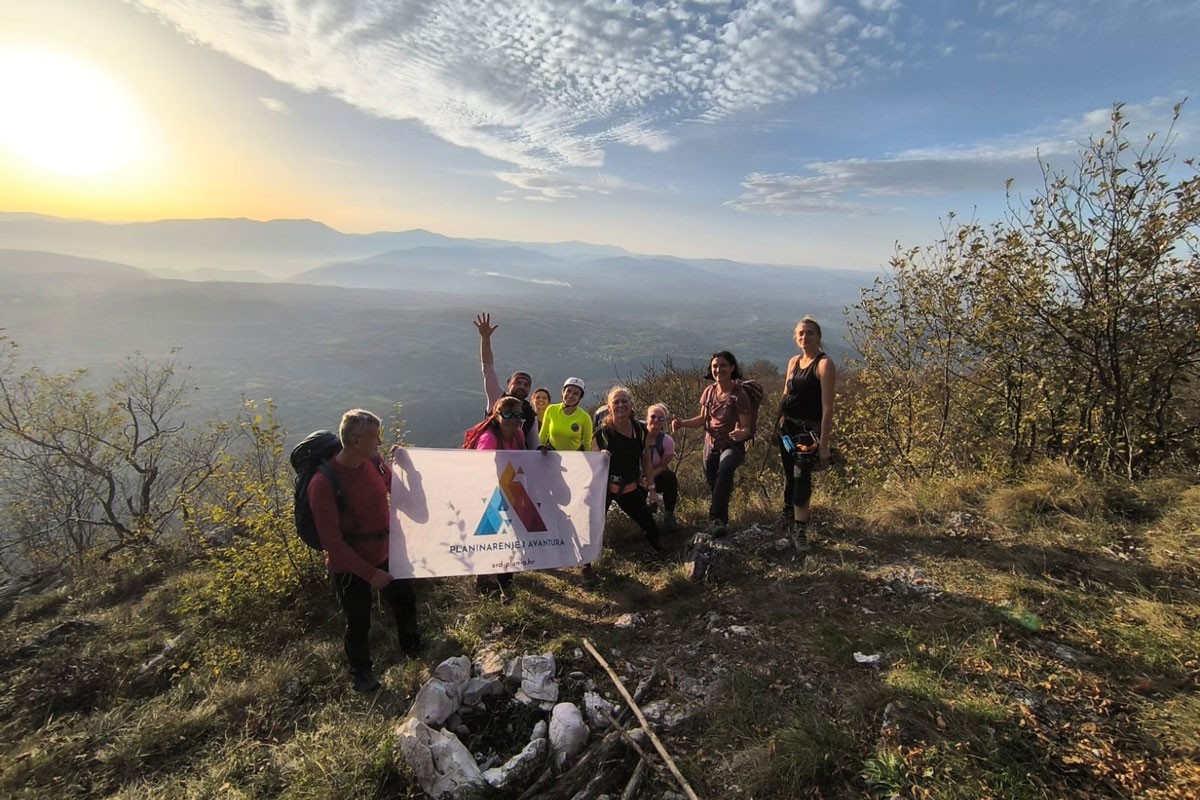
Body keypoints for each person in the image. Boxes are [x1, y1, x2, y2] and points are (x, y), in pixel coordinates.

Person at [308, 408, 421, 693]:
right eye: (375, 438)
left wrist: (407, 468)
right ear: (356, 440)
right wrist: (370, 573)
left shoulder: (373, 462)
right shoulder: (323, 484)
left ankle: (413, 648)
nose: (379, 443)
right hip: (351, 567)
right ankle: (361, 673)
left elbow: (393, 488)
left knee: (405, 601)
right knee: (358, 621)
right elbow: (332, 543)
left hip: (388, 552)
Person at [673, 351, 752, 537]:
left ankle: (717, 521)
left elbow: (747, 428)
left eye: (723, 365)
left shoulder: (739, 395)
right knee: (714, 483)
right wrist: (682, 423)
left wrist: (742, 433)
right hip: (711, 443)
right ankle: (719, 516)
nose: (718, 370)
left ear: (732, 368)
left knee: (724, 471)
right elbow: (702, 419)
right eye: (715, 366)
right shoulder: (709, 392)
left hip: (732, 445)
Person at [777, 317, 837, 546]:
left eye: (810, 333)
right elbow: (785, 395)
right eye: (801, 333)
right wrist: (776, 426)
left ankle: (800, 530)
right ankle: (788, 514)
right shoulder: (793, 362)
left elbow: (827, 407)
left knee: (801, 476)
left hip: (809, 431)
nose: (805, 337)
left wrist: (824, 445)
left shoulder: (824, 364)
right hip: (788, 427)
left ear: (819, 336)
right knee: (788, 475)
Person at [468, 395, 526, 602]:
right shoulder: (489, 438)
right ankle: (505, 591)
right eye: (508, 414)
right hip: (491, 495)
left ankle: (484, 580)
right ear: (497, 415)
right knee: (500, 540)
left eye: (517, 414)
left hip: (509, 492)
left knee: (500, 540)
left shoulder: (519, 433)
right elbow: (480, 469)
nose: (513, 419)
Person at [592, 386, 663, 554]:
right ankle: (587, 564)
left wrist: (652, 489)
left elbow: (645, 458)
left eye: (625, 401)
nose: (620, 405)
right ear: (609, 407)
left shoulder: (640, 430)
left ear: (631, 404)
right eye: (615, 402)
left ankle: (660, 557)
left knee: (653, 530)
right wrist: (599, 456)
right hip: (605, 491)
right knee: (592, 529)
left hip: (630, 490)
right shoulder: (603, 434)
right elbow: (592, 465)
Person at [474, 312, 539, 449]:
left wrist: (542, 451)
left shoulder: (530, 414)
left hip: (516, 466)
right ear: (508, 384)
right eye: (518, 382)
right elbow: (488, 369)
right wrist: (485, 339)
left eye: (526, 384)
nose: (522, 386)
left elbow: (533, 444)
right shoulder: (496, 398)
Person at [644, 403, 679, 532]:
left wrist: (648, 479)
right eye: (653, 416)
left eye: (661, 418)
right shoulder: (637, 435)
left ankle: (669, 515)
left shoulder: (667, 441)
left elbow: (663, 466)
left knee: (670, 478)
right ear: (647, 418)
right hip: (635, 475)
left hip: (655, 474)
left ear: (665, 421)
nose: (656, 420)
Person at [540, 377, 594, 452]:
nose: (570, 395)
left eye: (575, 393)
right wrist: (537, 452)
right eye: (568, 391)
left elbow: (587, 444)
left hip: (574, 458)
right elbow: (543, 435)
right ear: (563, 392)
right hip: (553, 455)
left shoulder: (585, 418)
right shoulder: (551, 410)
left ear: (580, 397)